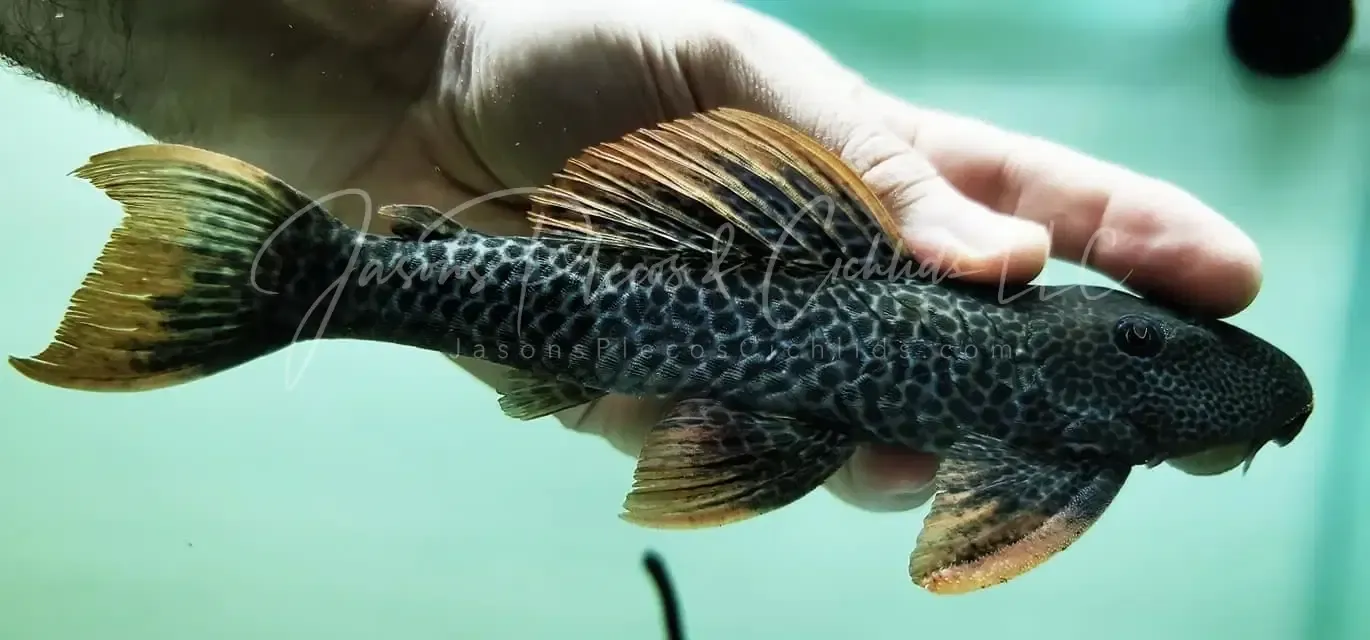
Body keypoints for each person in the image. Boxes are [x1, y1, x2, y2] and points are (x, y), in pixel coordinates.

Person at [0, 0, 1263, 513]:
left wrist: (414, 71)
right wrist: (424, 63)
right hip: (686, 262)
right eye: (1144, 340)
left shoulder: (1077, 444)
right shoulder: (1043, 390)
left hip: (673, 284)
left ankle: (300, 278)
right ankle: (293, 278)